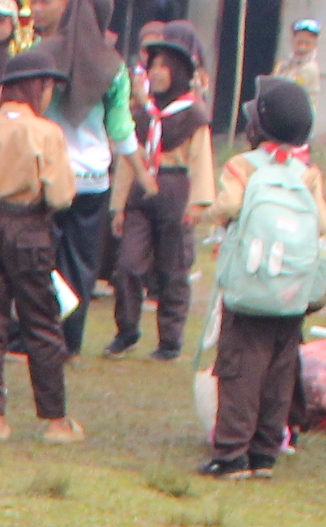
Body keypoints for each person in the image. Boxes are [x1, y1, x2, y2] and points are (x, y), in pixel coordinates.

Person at [202, 77, 326, 476]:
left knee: (239, 370)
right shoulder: (306, 173)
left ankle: (231, 453)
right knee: (279, 370)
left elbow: (229, 204)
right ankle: (266, 450)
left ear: (257, 127)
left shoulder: (243, 166)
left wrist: (213, 216)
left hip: (250, 285)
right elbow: (321, 222)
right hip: (291, 291)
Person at [0, 47, 79, 437]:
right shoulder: (47, 133)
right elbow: (61, 195)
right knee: (41, 322)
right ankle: (55, 419)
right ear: (37, 86)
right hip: (29, 227)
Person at [101, 18, 206, 358]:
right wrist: (118, 206)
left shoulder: (192, 115)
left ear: (178, 70)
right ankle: (127, 330)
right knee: (128, 265)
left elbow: (202, 162)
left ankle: (170, 341)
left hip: (176, 189)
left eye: (164, 67)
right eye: (153, 66)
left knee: (173, 268)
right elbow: (128, 161)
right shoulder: (142, 114)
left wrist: (199, 203)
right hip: (141, 193)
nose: (157, 73)